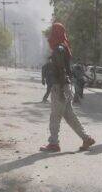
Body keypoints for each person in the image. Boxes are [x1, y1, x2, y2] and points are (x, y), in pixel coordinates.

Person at [39, 22, 95, 153]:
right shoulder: (64, 47)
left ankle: (53, 144)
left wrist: (60, 91)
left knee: (55, 116)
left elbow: (62, 70)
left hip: (60, 86)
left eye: (53, 32)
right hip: (65, 85)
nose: (50, 35)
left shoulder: (58, 49)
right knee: (70, 116)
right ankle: (86, 138)